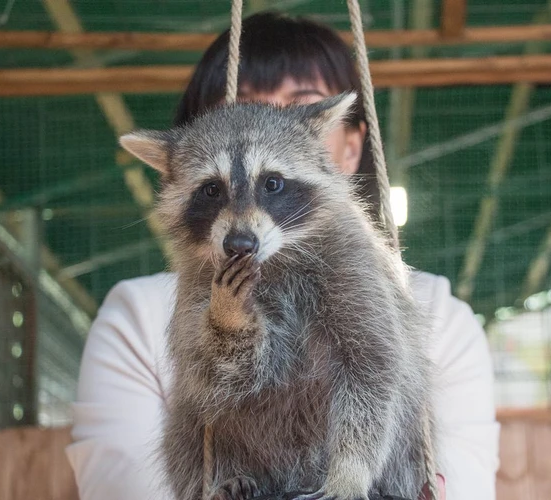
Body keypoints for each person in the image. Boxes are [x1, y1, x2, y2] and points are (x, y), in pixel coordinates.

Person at [65, 11, 499, 500]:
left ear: (345, 149)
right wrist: (228, 323)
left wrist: (350, 480)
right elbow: (132, 473)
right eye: (211, 190)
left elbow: (375, 376)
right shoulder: (131, 313)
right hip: (239, 476)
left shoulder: (444, 311)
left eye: (272, 184)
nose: (243, 223)